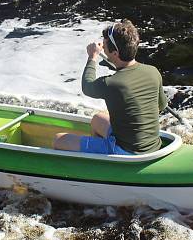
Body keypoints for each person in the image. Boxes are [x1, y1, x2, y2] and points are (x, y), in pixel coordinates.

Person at [54, 19, 167, 155]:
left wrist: (92, 56)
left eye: (105, 44)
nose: (103, 46)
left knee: (58, 140)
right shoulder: (153, 71)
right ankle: (97, 159)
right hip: (152, 144)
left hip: (125, 150)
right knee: (97, 119)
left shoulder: (112, 83)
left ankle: (107, 161)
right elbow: (161, 106)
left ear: (115, 54)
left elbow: (87, 86)